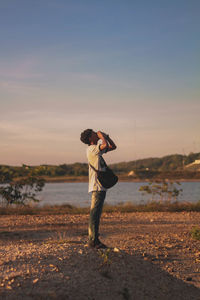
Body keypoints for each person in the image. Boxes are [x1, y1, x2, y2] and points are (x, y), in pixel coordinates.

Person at [80, 129, 117, 249]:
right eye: (93, 133)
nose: (96, 133)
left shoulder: (97, 150)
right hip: (97, 185)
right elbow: (105, 145)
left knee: (96, 213)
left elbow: (113, 146)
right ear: (90, 138)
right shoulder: (91, 149)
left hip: (99, 185)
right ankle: (93, 241)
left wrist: (107, 136)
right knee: (94, 214)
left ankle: (94, 239)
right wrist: (102, 137)